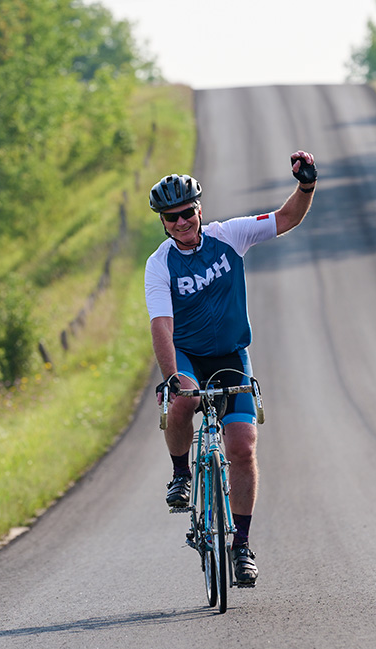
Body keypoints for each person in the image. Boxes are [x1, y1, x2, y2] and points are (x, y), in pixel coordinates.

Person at [144, 151, 317, 585]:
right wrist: (172, 378)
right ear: (163, 222)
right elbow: (162, 326)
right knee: (182, 399)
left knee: (242, 446)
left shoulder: (230, 235)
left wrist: (307, 186)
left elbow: (287, 218)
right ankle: (181, 474)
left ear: (199, 210)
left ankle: (241, 546)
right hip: (186, 354)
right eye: (171, 217)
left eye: (186, 213)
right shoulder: (159, 263)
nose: (181, 222)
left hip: (230, 355)